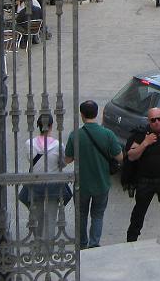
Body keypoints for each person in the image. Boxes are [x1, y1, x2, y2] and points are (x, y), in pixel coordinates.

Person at [64, 100, 123, 249]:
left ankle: (82, 244)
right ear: (97, 114)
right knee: (97, 215)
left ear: (82, 115)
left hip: (82, 184)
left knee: (81, 215)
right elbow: (120, 157)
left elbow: (67, 159)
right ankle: (94, 243)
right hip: (101, 183)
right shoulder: (107, 134)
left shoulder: (75, 135)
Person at [125, 106, 160, 241]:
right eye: (153, 120)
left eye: (159, 119)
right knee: (138, 214)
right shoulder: (140, 135)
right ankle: (131, 241)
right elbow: (131, 156)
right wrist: (145, 143)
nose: (156, 122)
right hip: (145, 182)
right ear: (149, 121)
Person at [25, 113, 67, 242]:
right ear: (51, 126)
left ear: (38, 126)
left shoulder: (29, 143)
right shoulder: (59, 145)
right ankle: (48, 247)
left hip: (36, 182)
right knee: (51, 217)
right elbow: (63, 163)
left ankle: (37, 241)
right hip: (53, 183)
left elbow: (29, 160)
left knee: (38, 216)